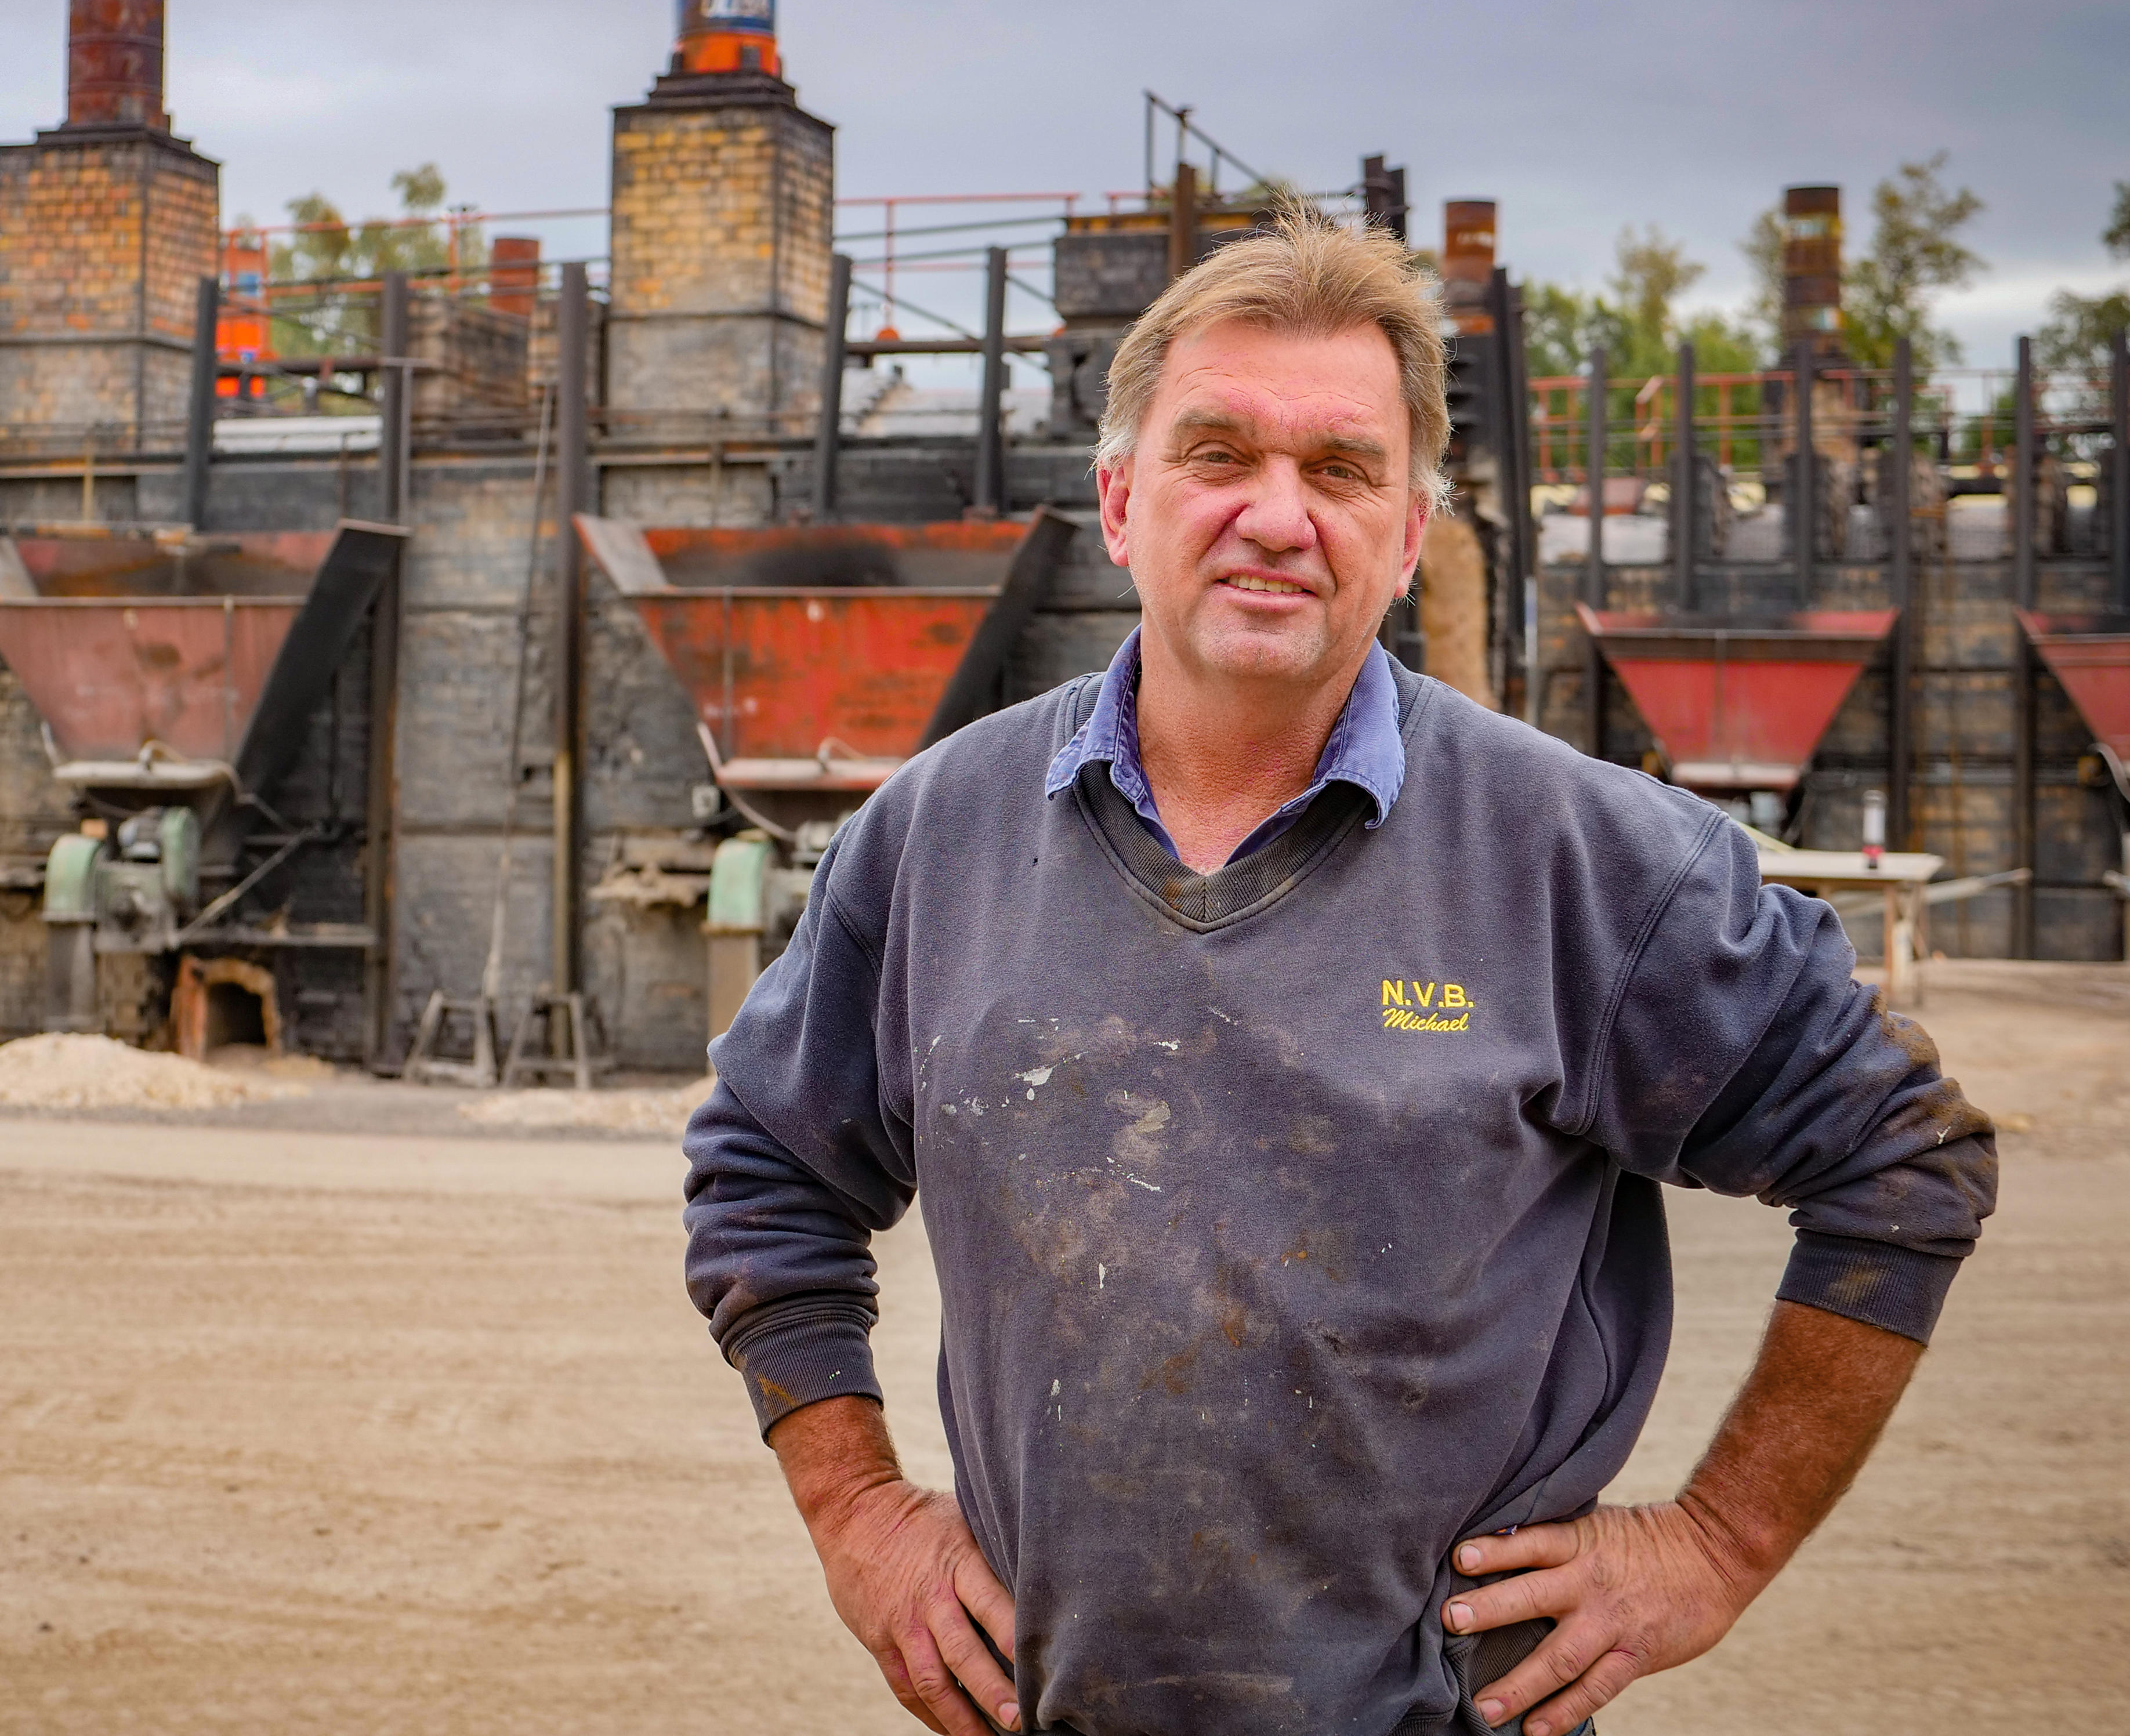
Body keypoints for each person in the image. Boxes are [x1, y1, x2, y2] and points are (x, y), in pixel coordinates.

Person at [680, 212, 1994, 1736]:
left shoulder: (1576, 861)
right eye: (1219, 455)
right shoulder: (940, 838)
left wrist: (1718, 1543)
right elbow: (764, 1155)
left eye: (1341, 470)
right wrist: (855, 1512)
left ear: (1412, 532)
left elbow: (1900, 1160)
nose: (1277, 516)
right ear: (1119, 501)